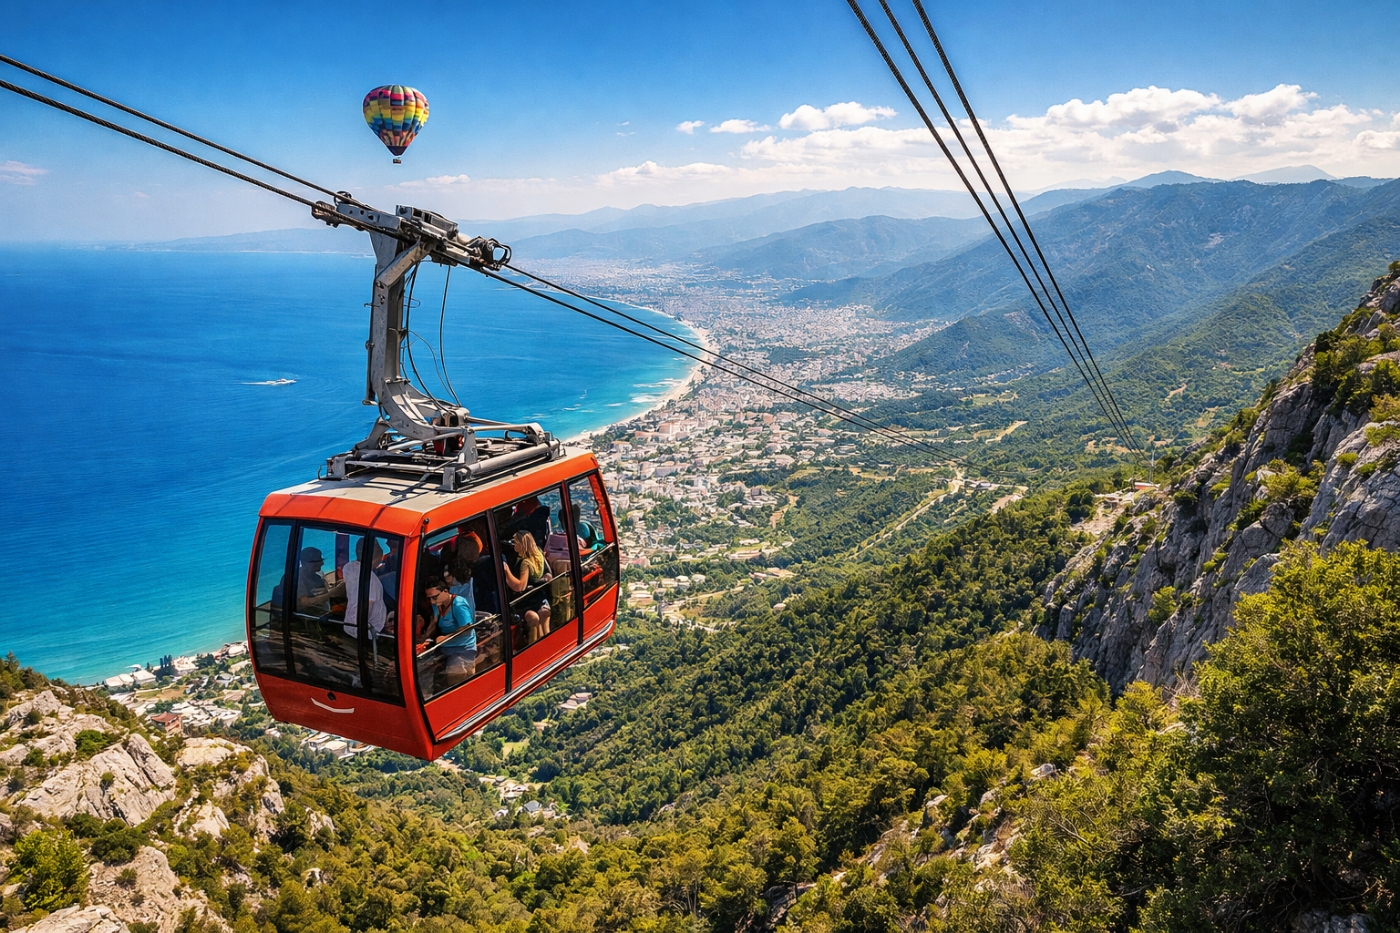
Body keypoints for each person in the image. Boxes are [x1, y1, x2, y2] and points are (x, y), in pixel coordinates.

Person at [424, 577, 476, 689]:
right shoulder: (436, 604)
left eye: (434, 597)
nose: (432, 601)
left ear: (445, 591)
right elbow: (435, 621)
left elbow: (467, 629)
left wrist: (445, 638)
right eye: (429, 598)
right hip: (444, 649)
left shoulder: (458, 605)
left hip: (463, 649)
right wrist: (424, 638)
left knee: (455, 684)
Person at [502, 530, 550, 645]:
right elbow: (548, 575)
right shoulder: (538, 552)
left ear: (522, 544)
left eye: (515, 542)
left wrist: (506, 571)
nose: (513, 544)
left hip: (526, 601)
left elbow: (520, 587)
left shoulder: (525, 563)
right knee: (544, 626)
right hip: (540, 598)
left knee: (532, 618)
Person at [342, 539, 393, 640]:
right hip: (369, 633)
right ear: (379, 554)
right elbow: (365, 607)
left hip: (349, 627)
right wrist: (362, 632)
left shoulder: (348, 567)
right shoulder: (371, 580)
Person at [295, 547, 344, 614]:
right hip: (307, 617)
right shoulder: (297, 578)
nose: (322, 563)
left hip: (321, 612)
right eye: (318, 561)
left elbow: (319, 592)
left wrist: (333, 588)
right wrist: (331, 594)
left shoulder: (316, 577)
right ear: (307, 563)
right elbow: (305, 603)